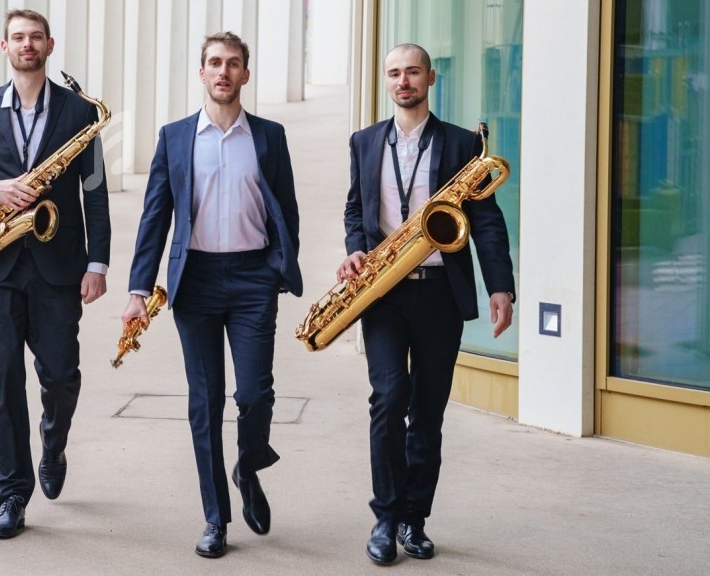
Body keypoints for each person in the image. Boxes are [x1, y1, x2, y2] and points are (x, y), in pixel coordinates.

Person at [123, 31, 302, 559]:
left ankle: (248, 466)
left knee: (255, 394)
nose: (224, 71)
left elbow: (286, 210)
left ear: (245, 73)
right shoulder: (175, 137)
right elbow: (155, 216)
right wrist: (138, 288)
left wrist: (276, 267)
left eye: (233, 63)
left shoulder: (268, 136)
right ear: (201, 72)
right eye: (215, 63)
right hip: (195, 281)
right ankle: (215, 517)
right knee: (205, 402)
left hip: (252, 280)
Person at [336, 43, 514, 565]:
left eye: (412, 72)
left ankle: (414, 519)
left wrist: (500, 286)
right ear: (386, 80)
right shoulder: (364, 141)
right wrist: (355, 249)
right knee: (389, 399)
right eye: (394, 73)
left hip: (440, 293)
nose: (403, 81)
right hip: (384, 293)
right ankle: (385, 517)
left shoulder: (461, 143)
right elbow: (355, 209)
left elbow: (487, 220)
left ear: (430, 78)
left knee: (428, 411)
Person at [0, 9, 111, 539]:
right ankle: (12, 494)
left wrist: (97, 262)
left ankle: (54, 443)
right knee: (1, 381)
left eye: (35, 37)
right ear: (4, 46)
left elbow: (95, 192)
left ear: (49, 45)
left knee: (61, 375)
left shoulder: (80, 112)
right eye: (18, 37)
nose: (27, 44)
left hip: (59, 264)